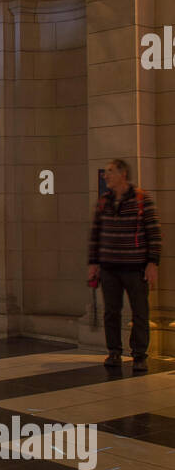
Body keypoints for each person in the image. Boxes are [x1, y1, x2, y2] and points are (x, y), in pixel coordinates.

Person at [88, 158, 160, 373]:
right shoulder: (104, 201)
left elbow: (154, 233)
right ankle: (114, 352)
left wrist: (152, 263)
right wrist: (93, 263)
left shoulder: (141, 199)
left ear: (123, 174)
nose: (105, 175)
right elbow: (96, 234)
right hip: (109, 267)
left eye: (110, 171)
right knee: (111, 312)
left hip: (135, 267)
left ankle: (139, 355)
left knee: (140, 312)